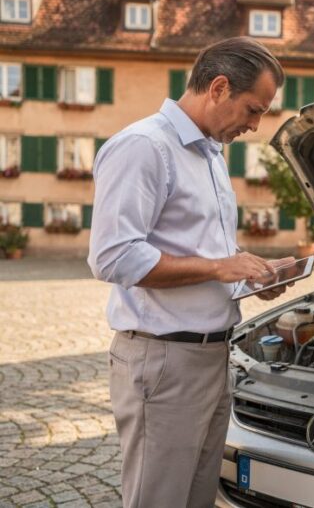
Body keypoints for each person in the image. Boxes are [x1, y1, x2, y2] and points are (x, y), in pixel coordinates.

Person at [87, 37, 289, 507]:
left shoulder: (210, 154)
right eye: (253, 109)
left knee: (199, 499)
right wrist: (222, 266)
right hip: (163, 362)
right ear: (219, 87)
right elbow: (114, 257)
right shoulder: (144, 147)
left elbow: (204, 253)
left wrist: (250, 275)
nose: (256, 125)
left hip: (212, 358)